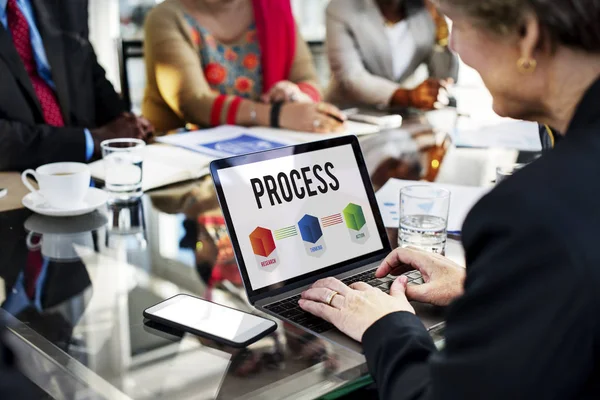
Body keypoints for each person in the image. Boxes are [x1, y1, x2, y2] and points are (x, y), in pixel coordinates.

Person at [299, 0, 600, 398]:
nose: (454, 43)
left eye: (457, 24)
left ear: (527, 36)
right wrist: (488, 287)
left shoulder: (532, 212)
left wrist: (385, 326)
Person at [142, 0, 346, 133]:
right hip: (184, 166)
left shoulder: (275, 10)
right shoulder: (166, 17)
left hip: (264, 155)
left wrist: (295, 96)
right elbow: (194, 103)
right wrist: (277, 115)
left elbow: (309, 81)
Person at [0, 0, 153, 171]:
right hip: (17, 172)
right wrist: (88, 140)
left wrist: (124, 121)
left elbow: (86, 65)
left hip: (93, 167)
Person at [325, 0, 459, 109]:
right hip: (349, 114)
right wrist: (407, 96)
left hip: (400, 117)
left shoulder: (424, 9)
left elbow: (444, 77)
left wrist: (441, 26)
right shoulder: (342, 7)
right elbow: (350, 76)